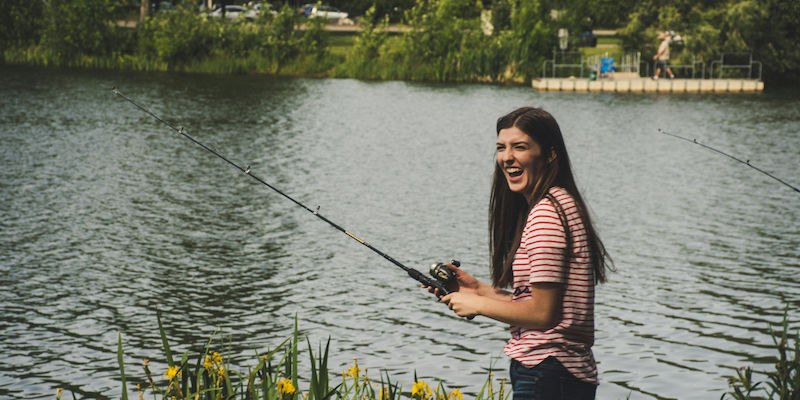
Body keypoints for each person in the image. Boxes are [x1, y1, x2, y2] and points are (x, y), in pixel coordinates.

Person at [427, 107, 612, 400]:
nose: (507, 157)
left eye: (520, 147)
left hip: (547, 372)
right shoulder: (560, 203)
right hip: (560, 372)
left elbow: (542, 314)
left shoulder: (546, 216)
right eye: (501, 147)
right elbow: (539, 302)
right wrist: (478, 290)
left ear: (550, 154)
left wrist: (477, 306)